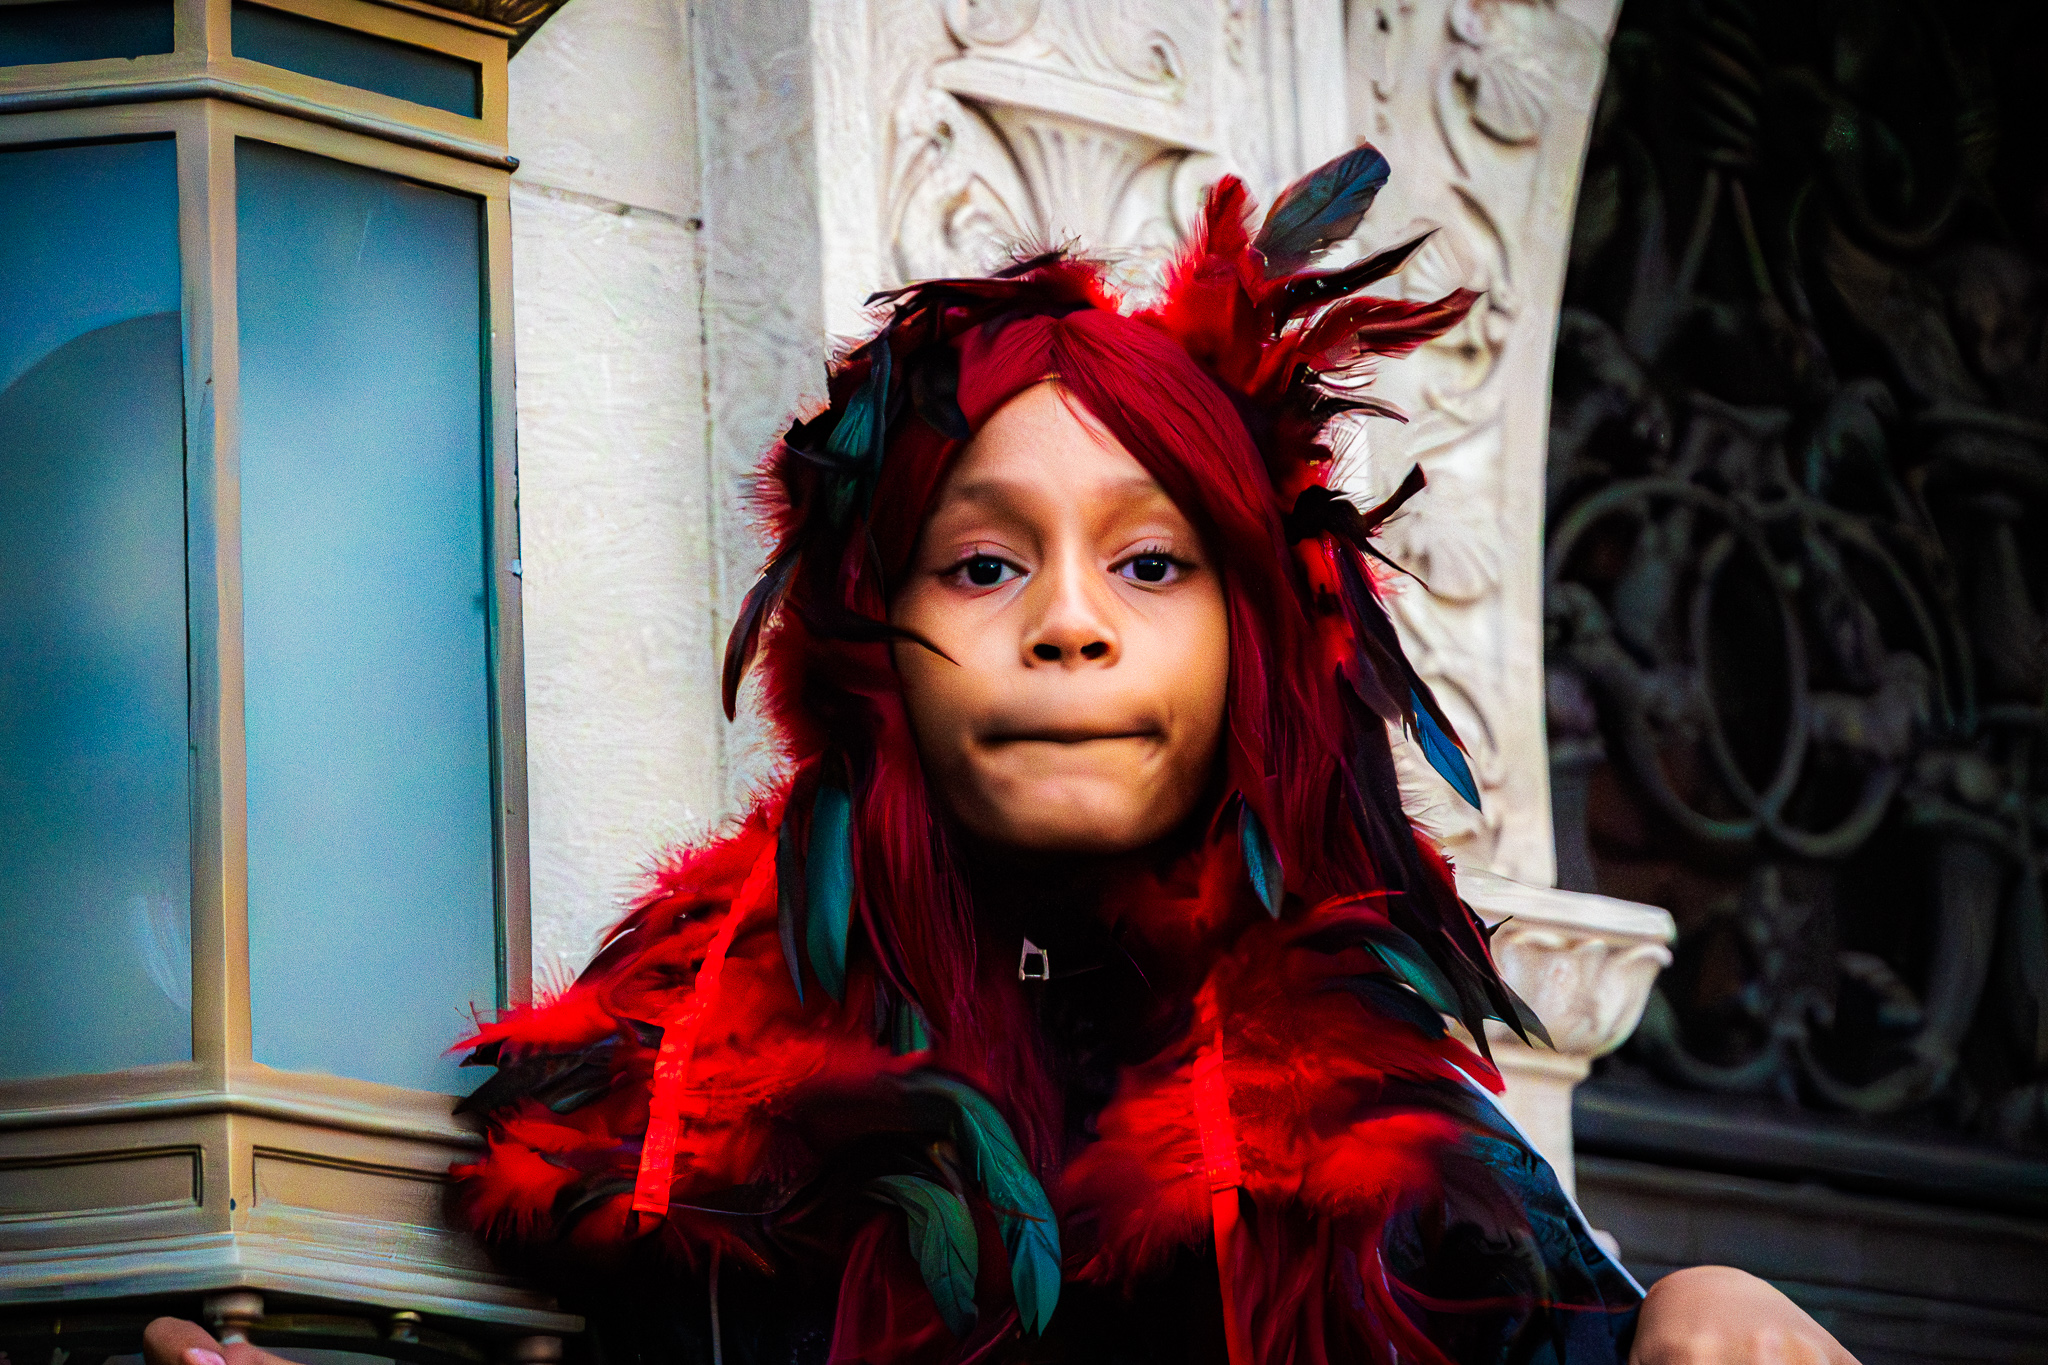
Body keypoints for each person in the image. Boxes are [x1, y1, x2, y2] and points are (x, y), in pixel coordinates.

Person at [147, 147, 1857, 1365]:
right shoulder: (696, 1106)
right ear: (866, 635)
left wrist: (1702, 1313)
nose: (1069, 623)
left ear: (1260, 639)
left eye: (1151, 562)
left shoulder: (1401, 1140)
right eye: (982, 563)